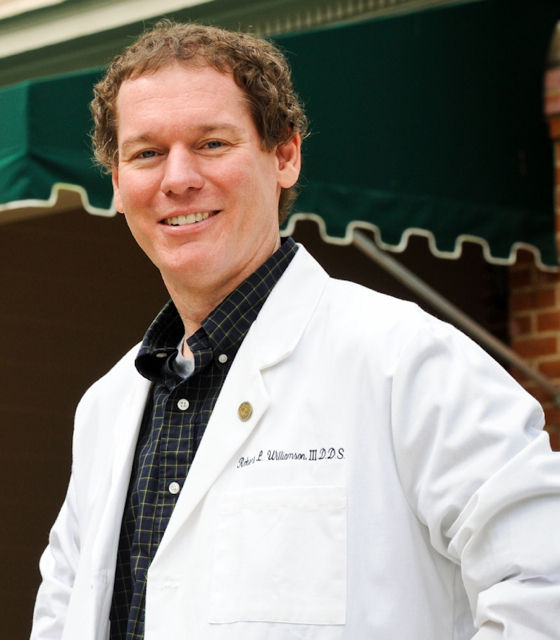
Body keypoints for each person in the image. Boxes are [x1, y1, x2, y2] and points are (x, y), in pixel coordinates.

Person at [31, 21, 560, 640]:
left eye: (211, 143)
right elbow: (61, 615)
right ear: (119, 184)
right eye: (146, 153)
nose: (177, 178)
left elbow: (543, 581)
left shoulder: (407, 360)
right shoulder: (105, 407)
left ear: (284, 156)